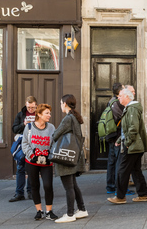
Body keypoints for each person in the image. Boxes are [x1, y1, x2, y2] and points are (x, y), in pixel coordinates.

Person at [107, 88, 147, 204]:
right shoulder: (129, 108)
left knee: (122, 171)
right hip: (134, 145)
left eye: (120, 96)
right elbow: (126, 130)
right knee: (135, 170)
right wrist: (119, 139)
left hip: (132, 146)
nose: (118, 97)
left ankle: (120, 197)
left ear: (127, 97)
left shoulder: (132, 109)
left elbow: (133, 128)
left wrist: (126, 143)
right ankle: (144, 194)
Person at [53, 94, 88, 223]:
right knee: (73, 185)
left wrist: (52, 136)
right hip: (73, 155)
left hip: (65, 156)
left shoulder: (68, 119)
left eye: (61, 103)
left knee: (69, 187)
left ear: (65, 104)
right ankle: (82, 209)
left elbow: (56, 134)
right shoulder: (75, 118)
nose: (60, 105)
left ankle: (70, 214)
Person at [21, 103, 58, 221]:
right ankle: (39, 211)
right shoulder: (30, 127)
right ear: (39, 114)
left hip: (46, 162)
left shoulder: (51, 128)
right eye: (47, 113)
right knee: (34, 186)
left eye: (49, 113)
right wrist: (32, 156)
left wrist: (50, 156)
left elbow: (55, 144)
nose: (49, 115)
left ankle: (49, 211)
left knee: (48, 185)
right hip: (31, 162)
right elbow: (25, 143)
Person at [10, 96, 37, 202]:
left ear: (36, 105)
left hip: (34, 143)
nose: (30, 110)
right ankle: (19, 193)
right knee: (20, 167)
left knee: (32, 168)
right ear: (26, 105)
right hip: (23, 143)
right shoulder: (21, 114)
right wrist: (24, 124)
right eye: (28, 107)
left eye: (32, 108)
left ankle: (30, 192)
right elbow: (14, 128)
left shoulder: (39, 113)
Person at [106, 83, 125, 194]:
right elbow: (121, 118)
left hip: (111, 135)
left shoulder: (110, 101)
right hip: (116, 136)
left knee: (111, 162)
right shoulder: (117, 103)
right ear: (120, 91)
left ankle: (110, 186)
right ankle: (119, 187)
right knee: (119, 162)